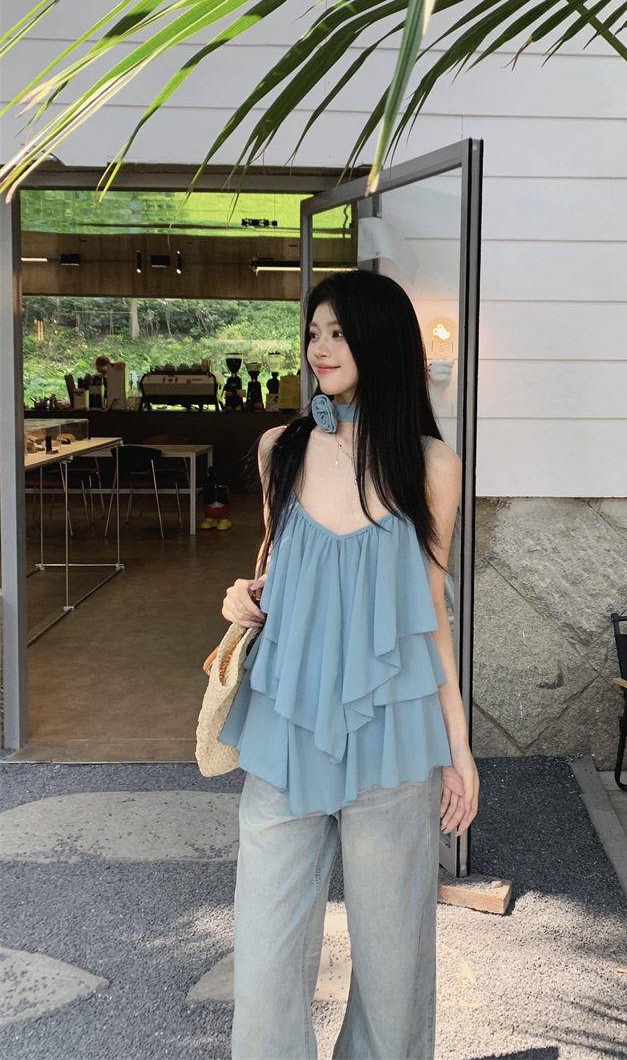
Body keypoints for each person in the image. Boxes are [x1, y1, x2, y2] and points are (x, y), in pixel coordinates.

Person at [219, 269, 479, 1060]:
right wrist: (242, 595)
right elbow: (275, 569)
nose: (319, 347)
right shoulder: (280, 448)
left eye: (337, 332)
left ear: (379, 340)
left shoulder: (431, 464)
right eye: (313, 332)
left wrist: (458, 745)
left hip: (393, 735)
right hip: (285, 730)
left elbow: (431, 613)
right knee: (264, 962)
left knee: (394, 965)